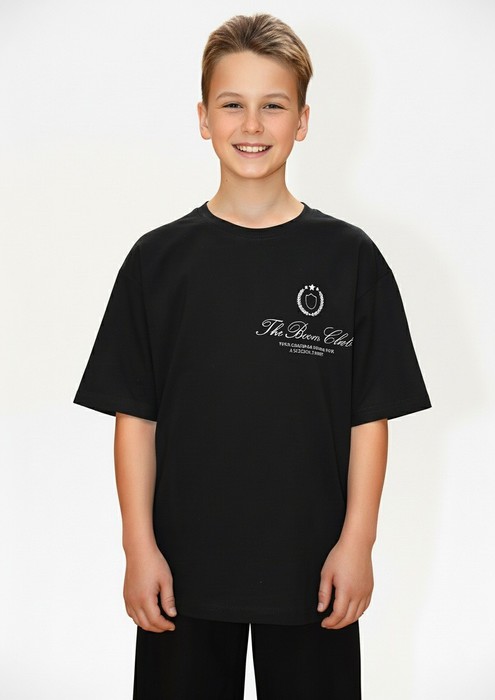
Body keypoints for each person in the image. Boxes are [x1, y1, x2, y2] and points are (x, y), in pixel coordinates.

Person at [73, 13, 432, 700]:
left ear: (303, 121)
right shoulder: (157, 261)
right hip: (182, 572)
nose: (252, 125)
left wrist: (357, 544)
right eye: (233, 104)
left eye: (274, 106)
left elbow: (370, 417)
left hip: (313, 572)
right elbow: (135, 419)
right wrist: (138, 548)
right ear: (203, 118)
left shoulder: (351, 259)